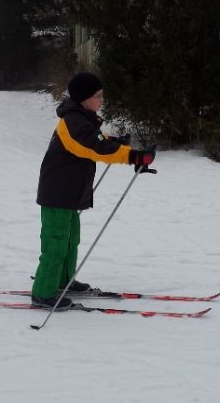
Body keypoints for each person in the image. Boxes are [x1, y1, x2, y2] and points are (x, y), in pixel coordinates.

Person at [32, 72, 155, 309]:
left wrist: (117, 142)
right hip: (57, 193)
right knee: (56, 243)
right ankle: (43, 292)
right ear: (83, 98)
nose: (101, 99)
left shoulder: (82, 118)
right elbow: (94, 147)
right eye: (97, 96)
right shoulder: (73, 122)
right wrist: (132, 156)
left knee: (71, 239)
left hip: (69, 193)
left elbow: (98, 138)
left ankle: (63, 281)